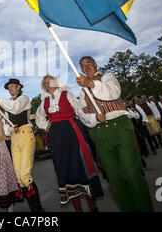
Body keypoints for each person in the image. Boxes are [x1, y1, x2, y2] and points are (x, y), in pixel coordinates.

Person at [76, 56, 154, 212]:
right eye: (82, 66)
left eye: (89, 64)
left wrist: (91, 83)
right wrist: (94, 117)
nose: (86, 68)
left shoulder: (108, 77)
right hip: (100, 133)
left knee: (131, 172)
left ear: (95, 65)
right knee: (115, 178)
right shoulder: (82, 92)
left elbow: (113, 92)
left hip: (120, 127)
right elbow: (81, 114)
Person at [36, 75, 103, 212]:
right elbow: (39, 118)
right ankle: (78, 209)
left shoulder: (67, 95)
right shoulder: (45, 102)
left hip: (73, 132)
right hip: (56, 137)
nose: (49, 84)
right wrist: (45, 125)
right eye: (46, 83)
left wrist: (94, 117)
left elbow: (80, 111)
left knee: (80, 165)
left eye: (51, 81)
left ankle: (93, 207)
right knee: (63, 169)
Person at [0, 78, 45, 212]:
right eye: (9, 86)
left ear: (18, 88)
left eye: (13, 86)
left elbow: (16, 109)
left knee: (24, 176)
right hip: (15, 138)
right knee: (19, 177)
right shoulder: (8, 104)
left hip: (26, 135)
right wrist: (11, 129)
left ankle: (38, 211)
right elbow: (7, 129)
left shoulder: (24, 98)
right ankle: (34, 208)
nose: (10, 88)